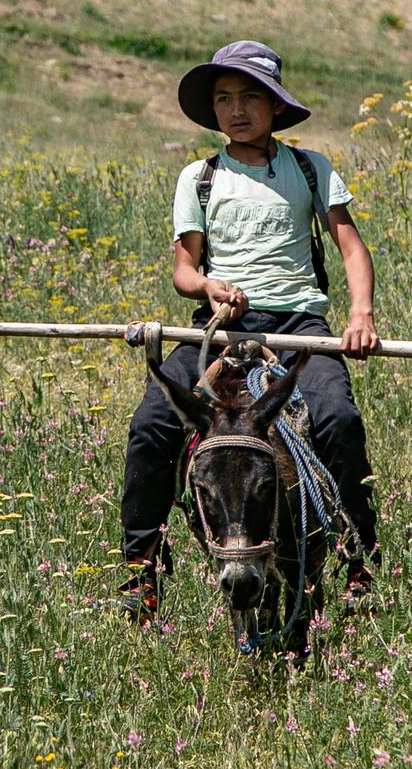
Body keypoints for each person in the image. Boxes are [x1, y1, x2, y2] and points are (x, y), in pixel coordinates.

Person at [118, 40, 381, 619]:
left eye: (249, 98)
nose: (235, 110)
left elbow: (350, 248)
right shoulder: (201, 175)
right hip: (214, 328)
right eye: (223, 99)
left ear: (276, 106)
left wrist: (359, 314)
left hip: (298, 326)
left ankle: (358, 558)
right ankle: (140, 570)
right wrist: (210, 286)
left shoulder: (310, 168)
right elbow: (183, 270)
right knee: (153, 423)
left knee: (336, 417)